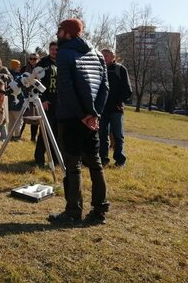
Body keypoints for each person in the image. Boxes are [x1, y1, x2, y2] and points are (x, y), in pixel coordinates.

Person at [49, 18, 110, 227]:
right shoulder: (98, 55)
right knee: (95, 163)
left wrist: (82, 115)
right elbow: (104, 88)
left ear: (67, 33)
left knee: (72, 166)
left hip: (71, 117)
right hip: (91, 120)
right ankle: (100, 209)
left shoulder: (65, 54)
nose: (57, 33)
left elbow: (66, 88)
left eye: (60, 30)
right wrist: (95, 115)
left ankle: (73, 211)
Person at [99, 48, 132, 167]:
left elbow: (128, 90)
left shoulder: (120, 69)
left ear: (113, 57)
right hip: (101, 110)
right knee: (102, 135)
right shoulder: (99, 69)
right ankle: (103, 159)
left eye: (106, 56)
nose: (104, 58)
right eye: (102, 56)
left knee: (118, 136)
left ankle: (120, 160)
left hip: (116, 110)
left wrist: (118, 103)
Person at [34, 42, 59, 166]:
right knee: (44, 131)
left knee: (56, 132)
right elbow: (36, 82)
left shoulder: (62, 62)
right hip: (47, 102)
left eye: (56, 49)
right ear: (49, 50)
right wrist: (43, 99)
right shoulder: (43, 63)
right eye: (52, 49)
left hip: (59, 103)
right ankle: (39, 158)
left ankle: (55, 159)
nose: (54, 51)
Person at [20, 52, 41, 141]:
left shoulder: (41, 69)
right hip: (25, 94)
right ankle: (18, 134)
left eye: (35, 59)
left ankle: (33, 137)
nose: (33, 60)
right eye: (31, 59)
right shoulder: (24, 68)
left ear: (38, 60)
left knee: (35, 118)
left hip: (36, 94)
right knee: (23, 116)